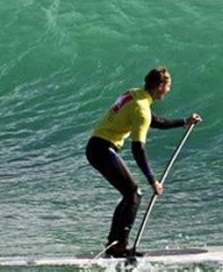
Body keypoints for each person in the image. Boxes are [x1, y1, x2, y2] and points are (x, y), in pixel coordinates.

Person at [85, 66, 202, 257]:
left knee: (128, 194)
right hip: (102, 149)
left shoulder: (134, 94)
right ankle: (119, 247)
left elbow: (153, 120)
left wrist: (184, 121)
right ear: (159, 86)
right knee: (134, 194)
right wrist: (152, 180)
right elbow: (138, 149)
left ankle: (114, 244)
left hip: (96, 146)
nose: (169, 90)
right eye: (168, 86)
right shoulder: (142, 109)